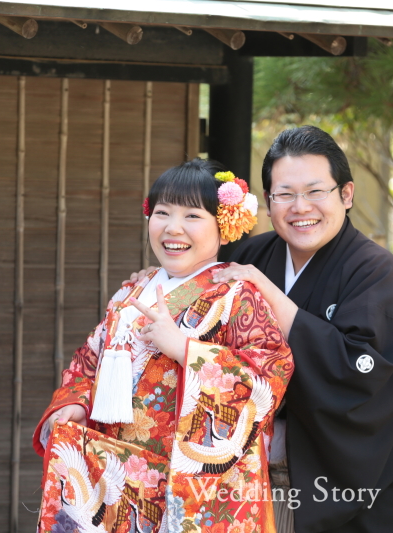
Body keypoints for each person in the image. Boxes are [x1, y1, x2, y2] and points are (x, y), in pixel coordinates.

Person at [33, 159, 295, 533]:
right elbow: (86, 363)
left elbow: (271, 371)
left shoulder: (236, 294)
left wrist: (187, 350)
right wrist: (75, 402)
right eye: (162, 213)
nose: (173, 228)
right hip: (119, 475)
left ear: (224, 225)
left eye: (192, 216)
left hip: (189, 487)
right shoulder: (130, 292)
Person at [212, 126, 393, 532]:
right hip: (259, 482)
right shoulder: (250, 255)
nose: (301, 207)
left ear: (345, 195)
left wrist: (274, 301)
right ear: (267, 201)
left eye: (316, 191)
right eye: (285, 194)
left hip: (366, 491)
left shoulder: (375, 272)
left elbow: (359, 374)